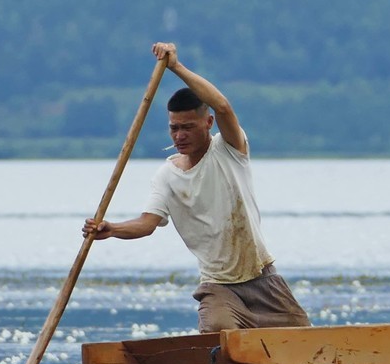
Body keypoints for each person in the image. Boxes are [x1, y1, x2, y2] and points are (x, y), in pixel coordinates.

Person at [83, 42, 311, 333]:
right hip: (218, 287)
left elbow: (224, 106)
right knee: (219, 335)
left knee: (305, 341)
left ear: (208, 123)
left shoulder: (229, 149)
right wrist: (111, 229)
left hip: (262, 277)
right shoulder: (167, 175)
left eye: (188, 127)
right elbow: (147, 224)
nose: (180, 135)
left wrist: (176, 67)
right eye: (174, 128)